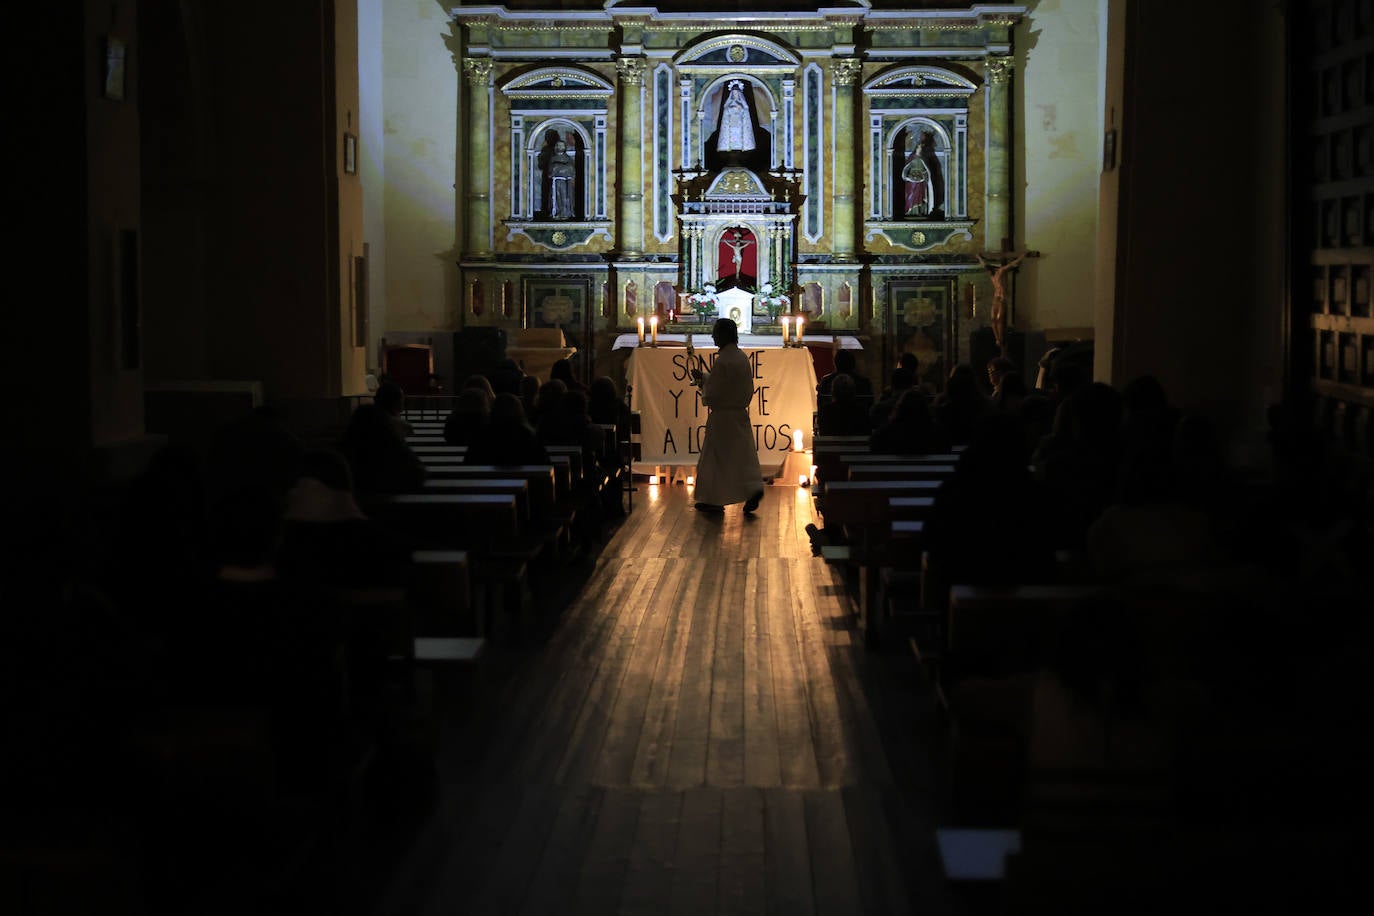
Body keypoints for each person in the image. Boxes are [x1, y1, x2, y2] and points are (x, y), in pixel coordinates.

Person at [689, 318, 763, 514]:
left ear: (724, 335)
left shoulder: (723, 360)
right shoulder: (740, 357)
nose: (713, 336)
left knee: (716, 459)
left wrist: (703, 382)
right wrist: (705, 378)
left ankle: (713, 499)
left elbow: (714, 393)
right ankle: (752, 488)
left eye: (716, 332)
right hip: (738, 415)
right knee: (742, 457)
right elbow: (729, 386)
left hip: (722, 417)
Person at [978, 251, 1029, 351]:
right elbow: (984, 265)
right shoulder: (992, 276)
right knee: (993, 320)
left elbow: (1010, 265)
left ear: (992, 269)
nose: (988, 273)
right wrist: (978, 257)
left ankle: (1000, 338)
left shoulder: (1000, 271)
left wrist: (1021, 257)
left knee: (999, 319)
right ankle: (997, 338)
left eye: (989, 271)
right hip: (995, 298)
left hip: (1001, 298)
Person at [716, 80, 756, 152]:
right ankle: (729, 146)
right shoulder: (729, 102)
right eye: (734, 93)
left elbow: (746, 110)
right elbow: (726, 110)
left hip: (740, 123)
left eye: (736, 93)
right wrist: (732, 109)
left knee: (739, 134)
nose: (735, 94)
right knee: (732, 134)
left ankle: (742, 146)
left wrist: (740, 108)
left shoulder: (742, 103)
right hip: (731, 122)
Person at [916, 130, 945, 219]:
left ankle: (929, 209)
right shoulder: (919, 150)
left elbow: (931, 166)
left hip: (927, 178)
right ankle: (920, 210)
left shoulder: (928, 151)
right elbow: (916, 160)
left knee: (928, 193)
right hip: (919, 179)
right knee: (920, 194)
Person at [548, 139, 575, 219]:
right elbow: (551, 170)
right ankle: (556, 213)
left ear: (565, 147)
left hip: (566, 182)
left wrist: (558, 167)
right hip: (555, 182)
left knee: (565, 197)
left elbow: (571, 169)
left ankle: (566, 213)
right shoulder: (553, 158)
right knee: (556, 197)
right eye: (558, 145)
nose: (560, 147)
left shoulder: (568, 158)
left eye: (561, 145)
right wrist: (560, 168)